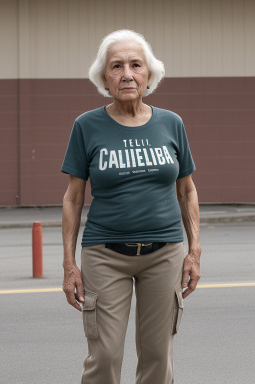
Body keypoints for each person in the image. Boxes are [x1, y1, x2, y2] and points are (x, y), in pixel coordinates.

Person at [61, 29, 201, 384]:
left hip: (165, 252)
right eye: (116, 66)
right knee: (105, 356)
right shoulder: (86, 126)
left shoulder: (171, 123)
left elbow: (186, 190)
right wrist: (69, 264)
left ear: (148, 74)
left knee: (157, 357)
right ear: (104, 77)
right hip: (105, 253)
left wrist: (194, 251)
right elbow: (74, 197)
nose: (127, 74)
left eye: (136, 65)